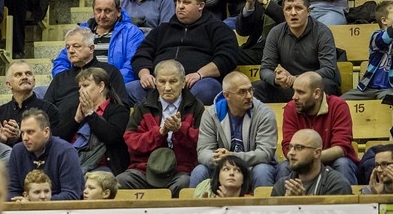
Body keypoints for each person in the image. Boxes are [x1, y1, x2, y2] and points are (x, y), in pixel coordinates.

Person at [128, 0, 238, 107]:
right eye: (178, 1)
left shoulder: (218, 29)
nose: (180, 6)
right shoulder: (162, 30)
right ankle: (159, 113)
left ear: (201, 5)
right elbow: (141, 54)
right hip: (157, 85)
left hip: (194, 85)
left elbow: (227, 57)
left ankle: (177, 114)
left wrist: (200, 74)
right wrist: (144, 74)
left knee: (207, 89)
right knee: (127, 90)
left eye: (186, 2)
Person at [119, 59, 204, 198]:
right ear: (155, 83)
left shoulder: (196, 107)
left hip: (180, 171)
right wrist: (159, 133)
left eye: (173, 81)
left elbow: (202, 143)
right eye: (162, 82)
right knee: (121, 181)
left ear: (183, 82)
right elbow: (131, 142)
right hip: (144, 170)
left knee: (185, 184)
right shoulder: (142, 108)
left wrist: (180, 129)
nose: (167, 87)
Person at [190, 71, 277, 189]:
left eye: (250, 90)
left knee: (262, 171)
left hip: (253, 166)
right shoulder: (211, 114)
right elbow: (203, 151)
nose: (249, 96)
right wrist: (217, 158)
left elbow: (265, 153)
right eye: (242, 92)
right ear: (227, 95)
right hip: (222, 167)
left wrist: (231, 157)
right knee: (199, 171)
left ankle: (263, 202)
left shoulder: (264, 114)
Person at [254, 0, 341, 103]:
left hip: (314, 86)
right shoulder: (275, 32)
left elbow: (328, 70)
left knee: (326, 85)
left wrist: (297, 79)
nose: (293, 13)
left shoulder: (323, 32)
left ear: (308, 11)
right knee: (255, 88)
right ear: (283, 12)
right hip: (289, 86)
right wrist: (277, 79)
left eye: (298, 8)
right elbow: (265, 68)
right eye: (288, 9)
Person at [44, 26, 128, 142]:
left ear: (91, 48)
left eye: (76, 46)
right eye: (68, 47)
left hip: (98, 136)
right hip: (60, 135)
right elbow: (45, 112)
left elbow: (121, 107)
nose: (71, 51)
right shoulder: (60, 78)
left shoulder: (109, 72)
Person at [280, 71, 360, 185]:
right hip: (302, 161)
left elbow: (341, 148)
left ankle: (346, 197)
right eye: (294, 91)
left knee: (343, 164)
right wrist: (306, 159)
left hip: (332, 161)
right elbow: (287, 146)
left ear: (316, 93)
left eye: (301, 92)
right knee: (284, 167)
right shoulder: (291, 108)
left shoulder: (338, 106)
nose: (294, 97)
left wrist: (309, 158)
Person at [52, 0, 144, 82]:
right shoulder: (82, 32)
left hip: (111, 85)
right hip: (78, 84)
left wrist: (105, 83)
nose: (102, 16)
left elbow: (131, 66)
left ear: (118, 11)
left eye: (107, 11)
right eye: (98, 10)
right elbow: (61, 62)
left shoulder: (132, 33)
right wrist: (68, 82)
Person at [7, 109, 84, 201]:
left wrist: (34, 203)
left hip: (60, 209)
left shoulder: (66, 152)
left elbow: (71, 195)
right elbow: (12, 192)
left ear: (46, 132)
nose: (25, 138)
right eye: (22, 133)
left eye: (30, 132)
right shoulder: (17, 151)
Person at [72, 67, 131, 175]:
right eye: (79, 87)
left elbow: (111, 136)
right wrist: (76, 120)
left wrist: (90, 114)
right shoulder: (77, 110)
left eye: (85, 85)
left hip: (103, 168)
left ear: (101, 86)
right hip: (74, 162)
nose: (80, 90)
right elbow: (60, 138)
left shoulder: (118, 111)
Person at [0, 60, 59, 147]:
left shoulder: (49, 110)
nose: (24, 77)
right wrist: (1, 141)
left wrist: (20, 136)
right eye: (18, 74)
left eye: (28, 73)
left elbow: (53, 144)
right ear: (9, 84)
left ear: (34, 81)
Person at [271, 129, 353, 196]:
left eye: (299, 147)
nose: (291, 153)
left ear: (317, 153)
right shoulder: (282, 186)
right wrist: (285, 203)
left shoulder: (336, 184)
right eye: (290, 147)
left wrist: (302, 202)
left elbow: (334, 212)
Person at [344, 0, 393, 100]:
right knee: (341, 101)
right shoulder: (375, 35)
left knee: (387, 101)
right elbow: (384, 39)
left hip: (389, 89)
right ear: (384, 20)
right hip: (367, 88)